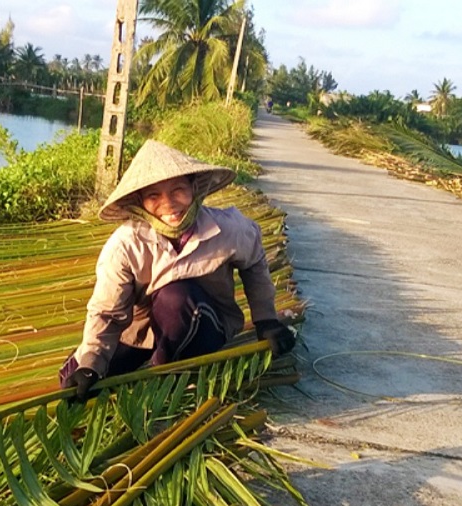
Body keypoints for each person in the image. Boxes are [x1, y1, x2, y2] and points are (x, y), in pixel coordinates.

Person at [59, 139, 295, 400]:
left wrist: (266, 320)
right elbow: (106, 311)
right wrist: (91, 363)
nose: (169, 204)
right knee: (75, 382)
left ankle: (159, 376)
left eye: (178, 190)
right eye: (153, 196)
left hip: (205, 324)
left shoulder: (229, 229)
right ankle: (141, 363)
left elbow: (254, 263)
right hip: (144, 330)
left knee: (176, 297)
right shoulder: (125, 246)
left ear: (194, 188)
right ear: (140, 202)